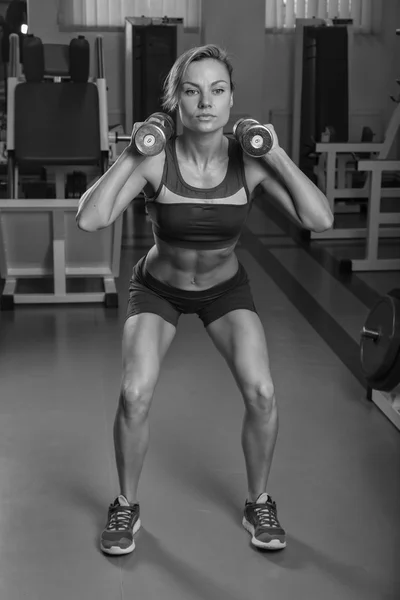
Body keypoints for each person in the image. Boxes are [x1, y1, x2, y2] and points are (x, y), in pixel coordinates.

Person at [76, 44, 334, 556]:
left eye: (217, 90)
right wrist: (133, 150)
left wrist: (274, 151)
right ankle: (126, 505)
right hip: (158, 290)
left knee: (262, 392)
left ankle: (258, 500)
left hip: (224, 291)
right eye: (192, 91)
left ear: (232, 100)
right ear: (176, 101)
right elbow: (91, 218)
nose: (205, 102)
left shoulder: (249, 162)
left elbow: (319, 220)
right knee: (134, 394)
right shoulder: (156, 159)